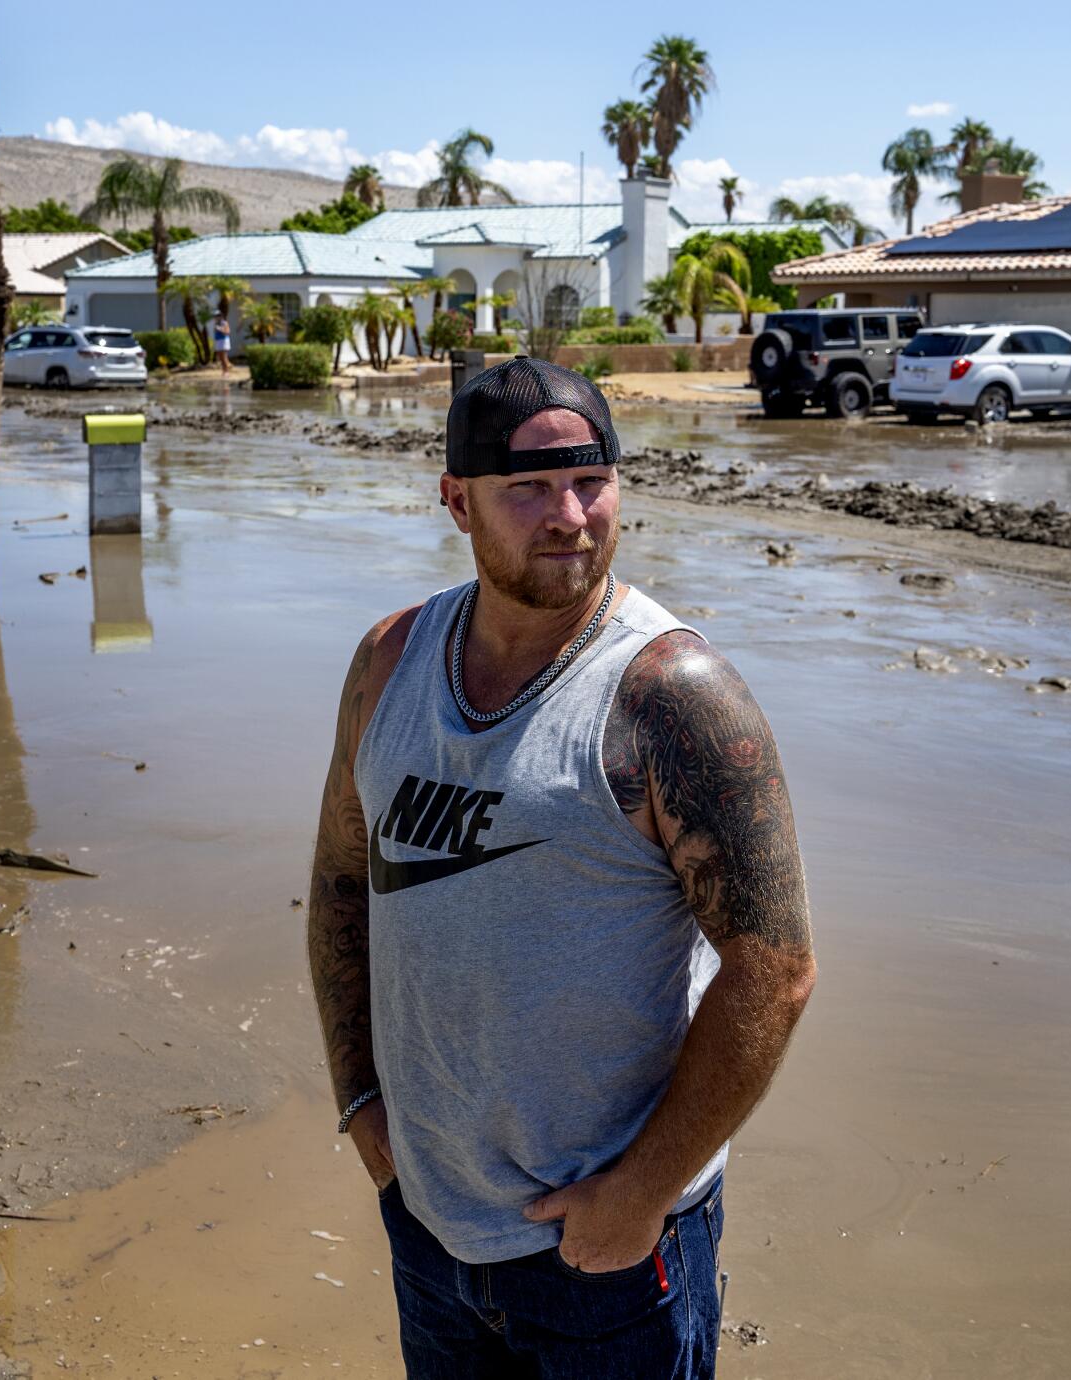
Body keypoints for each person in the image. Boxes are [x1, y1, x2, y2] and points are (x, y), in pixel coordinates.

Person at [307, 357, 816, 1376]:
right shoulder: (388, 663)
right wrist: (359, 1101)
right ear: (455, 501)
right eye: (527, 488)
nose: (568, 515)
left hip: (605, 1259)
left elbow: (774, 971)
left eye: (590, 481)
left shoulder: (670, 696)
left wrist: (637, 1197)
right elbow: (338, 885)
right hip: (429, 1222)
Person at [211, 307, 232, 374]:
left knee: (224, 357)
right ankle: (224, 370)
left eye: (217, 316)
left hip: (224, 341)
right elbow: (215, 332)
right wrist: (216, 329)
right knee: (220, 357)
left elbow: (227, 332)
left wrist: (219, 329)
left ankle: (227, 371)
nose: (215, 317)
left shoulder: (224, 323)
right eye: (215, 316)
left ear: (220, 316)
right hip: (218, 341)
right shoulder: (216, 324)